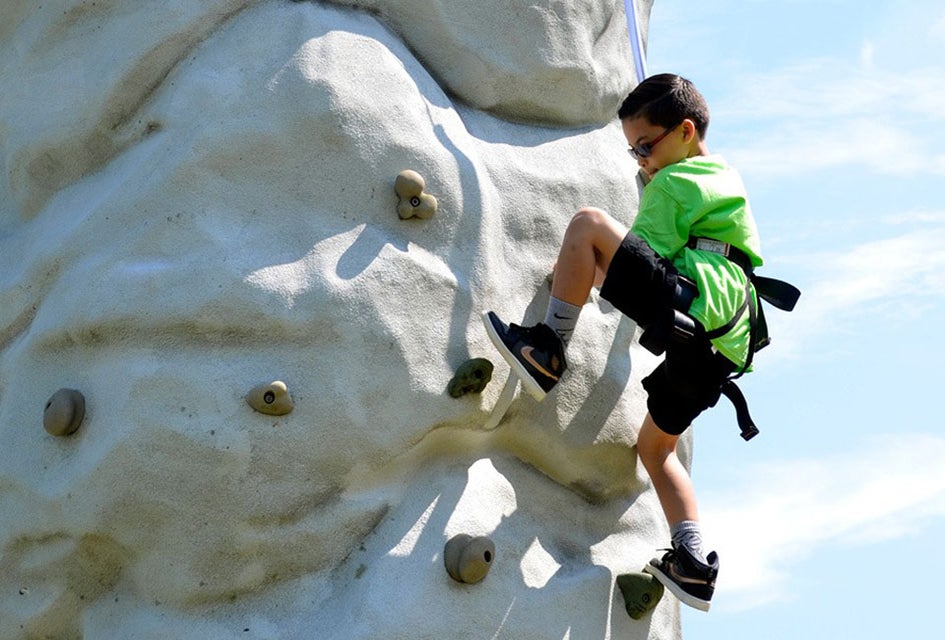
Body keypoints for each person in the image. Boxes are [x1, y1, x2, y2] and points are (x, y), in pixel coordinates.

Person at [483, 73, 765, 612]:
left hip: (692, 304)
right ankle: (692, 560)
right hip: (720, 347)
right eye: (633, 151)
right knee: (656, 449)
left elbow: (636, 255)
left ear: (685, 132)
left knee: (587, 225)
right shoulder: (723, 178)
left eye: (645, 147)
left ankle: (547, 348)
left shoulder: (675, 183)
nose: (641, 160)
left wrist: (635, 205)